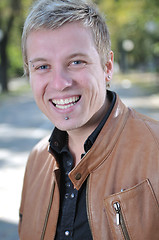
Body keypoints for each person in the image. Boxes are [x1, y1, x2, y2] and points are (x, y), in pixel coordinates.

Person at [18, 0, 159, 239]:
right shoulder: (36, 160)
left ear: (107, 66)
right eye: (42, 66)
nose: (60, 83)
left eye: (76, 62)